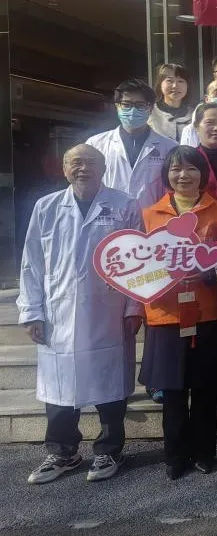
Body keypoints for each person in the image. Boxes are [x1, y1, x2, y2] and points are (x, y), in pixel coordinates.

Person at [19, 144, 142, 485]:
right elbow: (31, 262)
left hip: (109, 312)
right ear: (64, 169)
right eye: (76, 162)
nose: (83, 168)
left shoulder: (125, 205)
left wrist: (134, 308)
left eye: (90, 162)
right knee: (59, 388)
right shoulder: (46, 207)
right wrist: (32, 311)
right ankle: (63, 452)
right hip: (57, 311)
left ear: (103, 168)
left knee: (110, 384)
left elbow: (138, 262)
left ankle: (109, 449)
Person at [139, 146, 217, 478]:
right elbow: (139, 263)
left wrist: (214, 272)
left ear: (202, 174)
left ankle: (205, 452)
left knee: (205, 389)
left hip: (208, 311)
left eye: (191, 168)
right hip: (166, 314)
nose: (184, 175)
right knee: (173, 392)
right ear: (167, 175)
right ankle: (175, 456)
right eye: (176, 169)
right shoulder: (149, 214)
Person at [87, 79, 178, 210]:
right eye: (126, 104)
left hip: (152, 219)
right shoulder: (95, 144)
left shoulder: (170, 147)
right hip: (109, 216)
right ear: (117, 106)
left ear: (151, 108)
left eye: (140, 105)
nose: (133, 110)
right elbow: (87, 185)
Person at [149, 62, 193, 141]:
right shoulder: (149, 112)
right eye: (169, 81)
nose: (175, 86)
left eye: (180, 81)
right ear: (160, 84)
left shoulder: (194, 114)